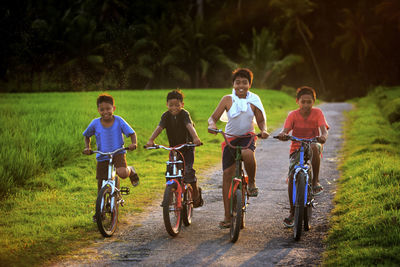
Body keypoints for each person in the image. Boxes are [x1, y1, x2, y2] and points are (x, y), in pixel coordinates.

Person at [208, 68, 269, 229]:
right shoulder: (227, 99)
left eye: (244, 82)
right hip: (229, 138)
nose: (241, 85)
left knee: (247, 153)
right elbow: (213, 118)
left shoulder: (254, 100)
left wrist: (263, 130)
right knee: (227, 174)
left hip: (248, 136)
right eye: (237, 82)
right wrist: (212, 125)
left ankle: (252, 183)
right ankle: (227, 216)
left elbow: (261, 120)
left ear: (250, 84)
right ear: (233, 84)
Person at [276, 86, 329, 227]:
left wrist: (323, 137)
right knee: (292, 176)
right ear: (297, 101)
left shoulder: (318, 113)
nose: (306, 105)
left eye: (309, 102)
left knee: (313, 147)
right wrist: (283, 134)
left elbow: (324, 130)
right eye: (303, 102)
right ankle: (292, 212)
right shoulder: (292, 115)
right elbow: (286, 129)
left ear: (313, 102)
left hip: (313, 144)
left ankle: (316, 181)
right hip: (296, 148)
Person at [83, 93, 139, 220]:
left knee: (122, 173)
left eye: (108, 109)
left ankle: (131, 170)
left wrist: (133, 143)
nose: (105, 112)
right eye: (102, 109)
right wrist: (88, 147)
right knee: (102, 184)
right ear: (98, 110)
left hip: (118, 152)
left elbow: (132, 133)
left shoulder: (119, 120)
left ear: (113, 108)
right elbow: (87, 135)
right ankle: (100, 211)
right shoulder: (95, 123)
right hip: (102, 156)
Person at [145, 89, 204, 208]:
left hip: (187, 147)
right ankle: (169, 196)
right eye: (171, 105)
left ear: (182, 104)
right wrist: (151, 140)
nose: (174, 108)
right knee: (170, 171)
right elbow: (159, 128)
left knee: (188, 171)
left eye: (177, 105)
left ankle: (196, 194)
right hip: (174, 149)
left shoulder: (184, 114)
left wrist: (196, 138)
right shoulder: (165, 116)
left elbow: (189, 126)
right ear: (167, 105)